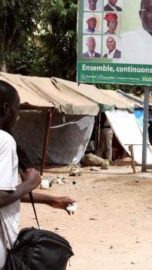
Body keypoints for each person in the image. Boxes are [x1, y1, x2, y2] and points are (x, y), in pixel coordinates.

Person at [0, 81, 76, 268]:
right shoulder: (4, 141)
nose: (17, 118)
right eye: (17, 111)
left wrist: (50, 199)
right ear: (5, 108)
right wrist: (30, 183)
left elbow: (6, 191)